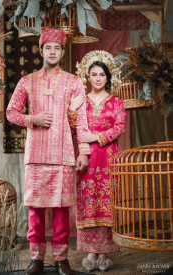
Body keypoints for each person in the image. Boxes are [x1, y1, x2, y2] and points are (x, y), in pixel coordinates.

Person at [6, 28, 91, 275]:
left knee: (62, 211)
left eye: (57, 48)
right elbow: (11, 112)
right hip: (36, 156)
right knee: (35, 210)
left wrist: (83, 151)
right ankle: (36, 261)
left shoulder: (74, 82)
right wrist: (33, 119)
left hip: (64, 154)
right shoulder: (27, 81)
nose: (52, 52)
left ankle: (62, 261)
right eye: (48, 48)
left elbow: (80, 119)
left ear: (63, 52)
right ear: (41, 50)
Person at [68, 50, 126, 272]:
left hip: (109, 158)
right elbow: (74, 126)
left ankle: (104, 251)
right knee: (88, 202)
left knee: (107, 202)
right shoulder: (81, 102)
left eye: (102, 74)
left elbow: (120, 127)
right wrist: (72, 110)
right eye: (94, 74)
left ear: (107, 77)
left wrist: (97, 137)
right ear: (88, 77)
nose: (99, 78)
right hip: (87, 158)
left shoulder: (116, 101)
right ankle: (91, 250)